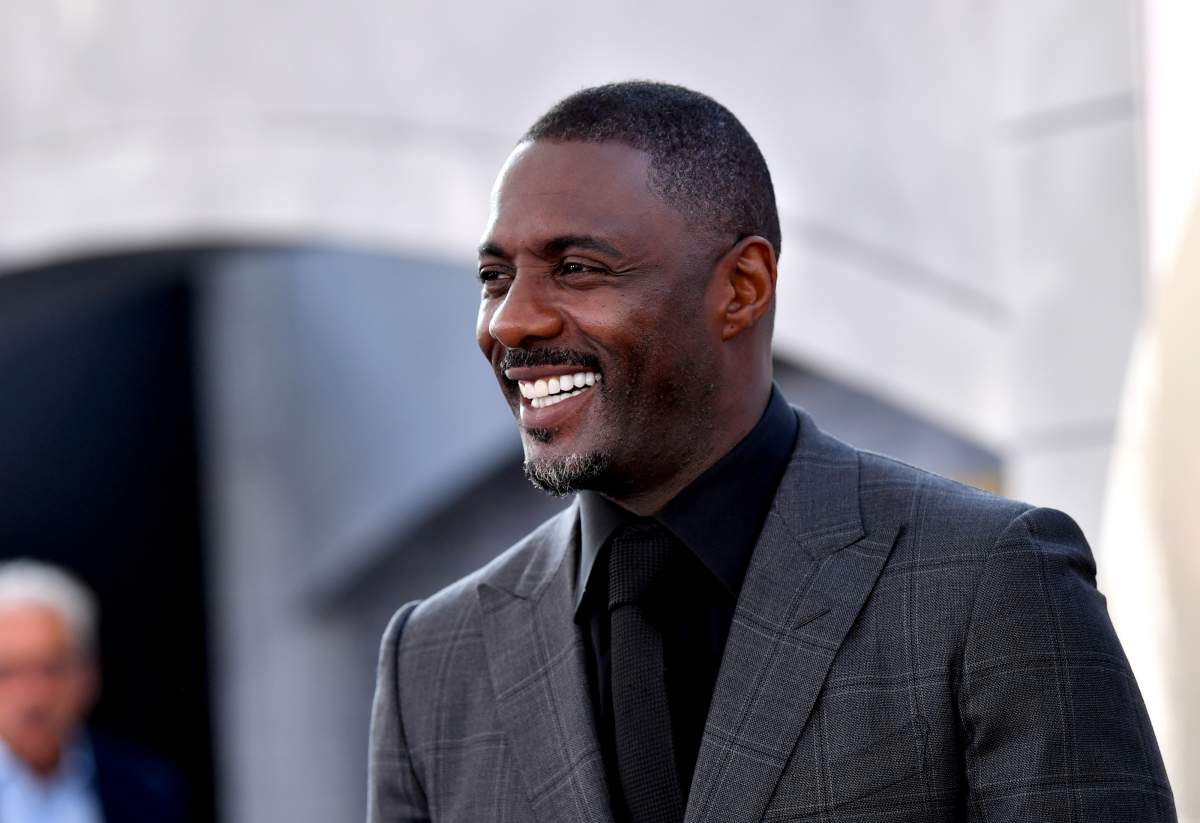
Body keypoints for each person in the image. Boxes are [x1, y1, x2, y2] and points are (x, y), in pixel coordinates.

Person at [367, 81, 1175, 822]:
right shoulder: (432, 662)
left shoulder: (990, 581)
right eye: (494, 275)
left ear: (743, 287)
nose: (510, 320)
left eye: (576, 268)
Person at [0, 559, 188, 823]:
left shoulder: (146, 788)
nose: (33, 697)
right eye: (7, 672)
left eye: (51, 669)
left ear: (88, 673)